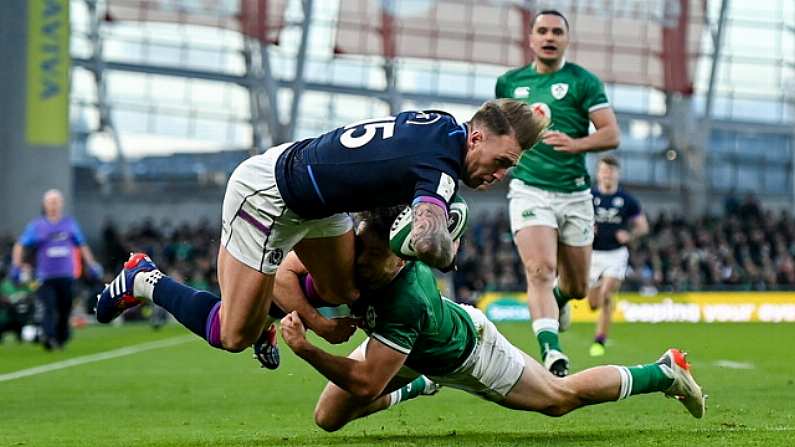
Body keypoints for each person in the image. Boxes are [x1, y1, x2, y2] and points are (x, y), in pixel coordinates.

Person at [95, 100, 547, 364]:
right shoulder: (441, 165)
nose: (500, 174)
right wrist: (450, 246)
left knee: (343, 286)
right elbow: (430, 242)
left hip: (319, 198)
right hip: (269, 196)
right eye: (502, 162)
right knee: (233, 335)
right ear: (476, 139)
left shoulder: (444, 125)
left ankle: (265, 309)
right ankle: (144, 278)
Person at [276, 207, 705, 433]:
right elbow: (283, 273)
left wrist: (307, 348)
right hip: (404, 348)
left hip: (468, 352)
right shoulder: (352, 251)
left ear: (402, 255)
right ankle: (420, 384)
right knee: (328, 419)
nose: (364, 264)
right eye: (364, 250)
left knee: (559, 399)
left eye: (379, 257)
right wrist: (319, 321)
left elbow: (367, 382)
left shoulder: (409, 295)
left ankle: (664, 373)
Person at [495, 9, 620, 376]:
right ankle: (552, 352)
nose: (549, 37)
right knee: (539, 270)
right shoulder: (509, 83)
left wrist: (577, 143)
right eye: (542, 31)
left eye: (557, 32)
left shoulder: (584, 82)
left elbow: (611, 134)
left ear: (566, 39)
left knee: (578, 287)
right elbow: (498, 133)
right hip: (529, 189)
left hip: (575, 195)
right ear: (531, 38)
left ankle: (561, 300)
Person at [10, 189, 102, 350]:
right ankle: (48, 337)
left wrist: (92, 264)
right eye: (50, 202)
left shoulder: (70, 224)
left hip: (67, 275)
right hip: (45, 277)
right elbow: (20, 245)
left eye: (56, 202)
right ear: (44, 205)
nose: (53, 205)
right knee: (49, 307)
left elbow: (82, 245)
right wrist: (16, 266)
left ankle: (61, 337)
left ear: (61, 204)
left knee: (65, 308)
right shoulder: (37, 226)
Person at [586, 156, 648, 357]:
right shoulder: (588, 196)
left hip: (616, 254)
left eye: (611, 171)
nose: (608, 174)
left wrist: (629, 235)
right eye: (604, 170)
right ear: (598, 173)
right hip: (592, 255)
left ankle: (600, 340)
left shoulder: (627, 200)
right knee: (593, 303)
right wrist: (586, 228)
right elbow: (572, 220)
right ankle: (597, 296)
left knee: (606, 296)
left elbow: (643, 226)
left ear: (617, 174)